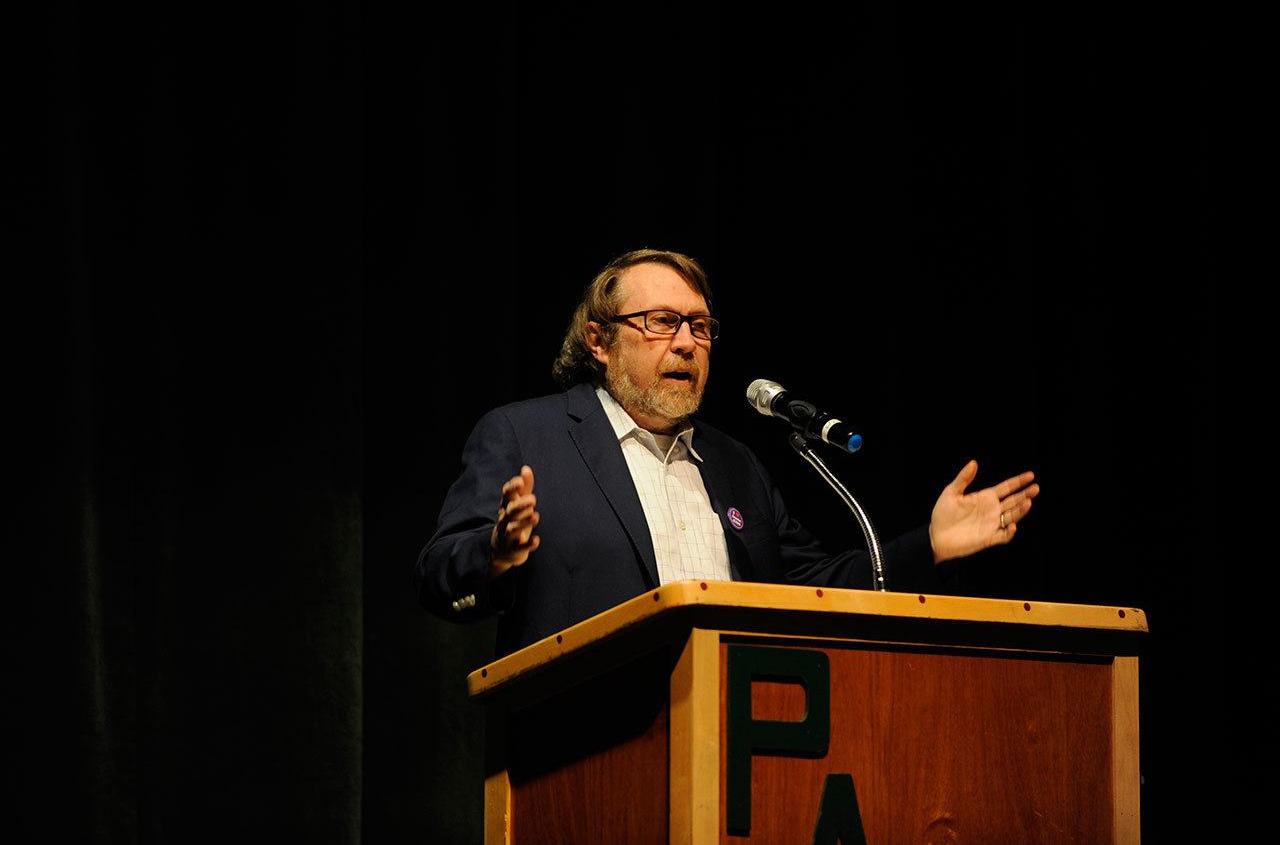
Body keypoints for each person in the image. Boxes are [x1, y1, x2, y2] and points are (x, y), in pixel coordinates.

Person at [415, 249, 1039, 655]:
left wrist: (930, 546)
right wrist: (494, 555)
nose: (687, 343)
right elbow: (438, 579)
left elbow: (813, 589)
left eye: (700, 326)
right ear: (599, 342)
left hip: (729, 739)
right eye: (662, 322)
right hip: (582, 755)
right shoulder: (527, 436)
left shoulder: (734, 463)